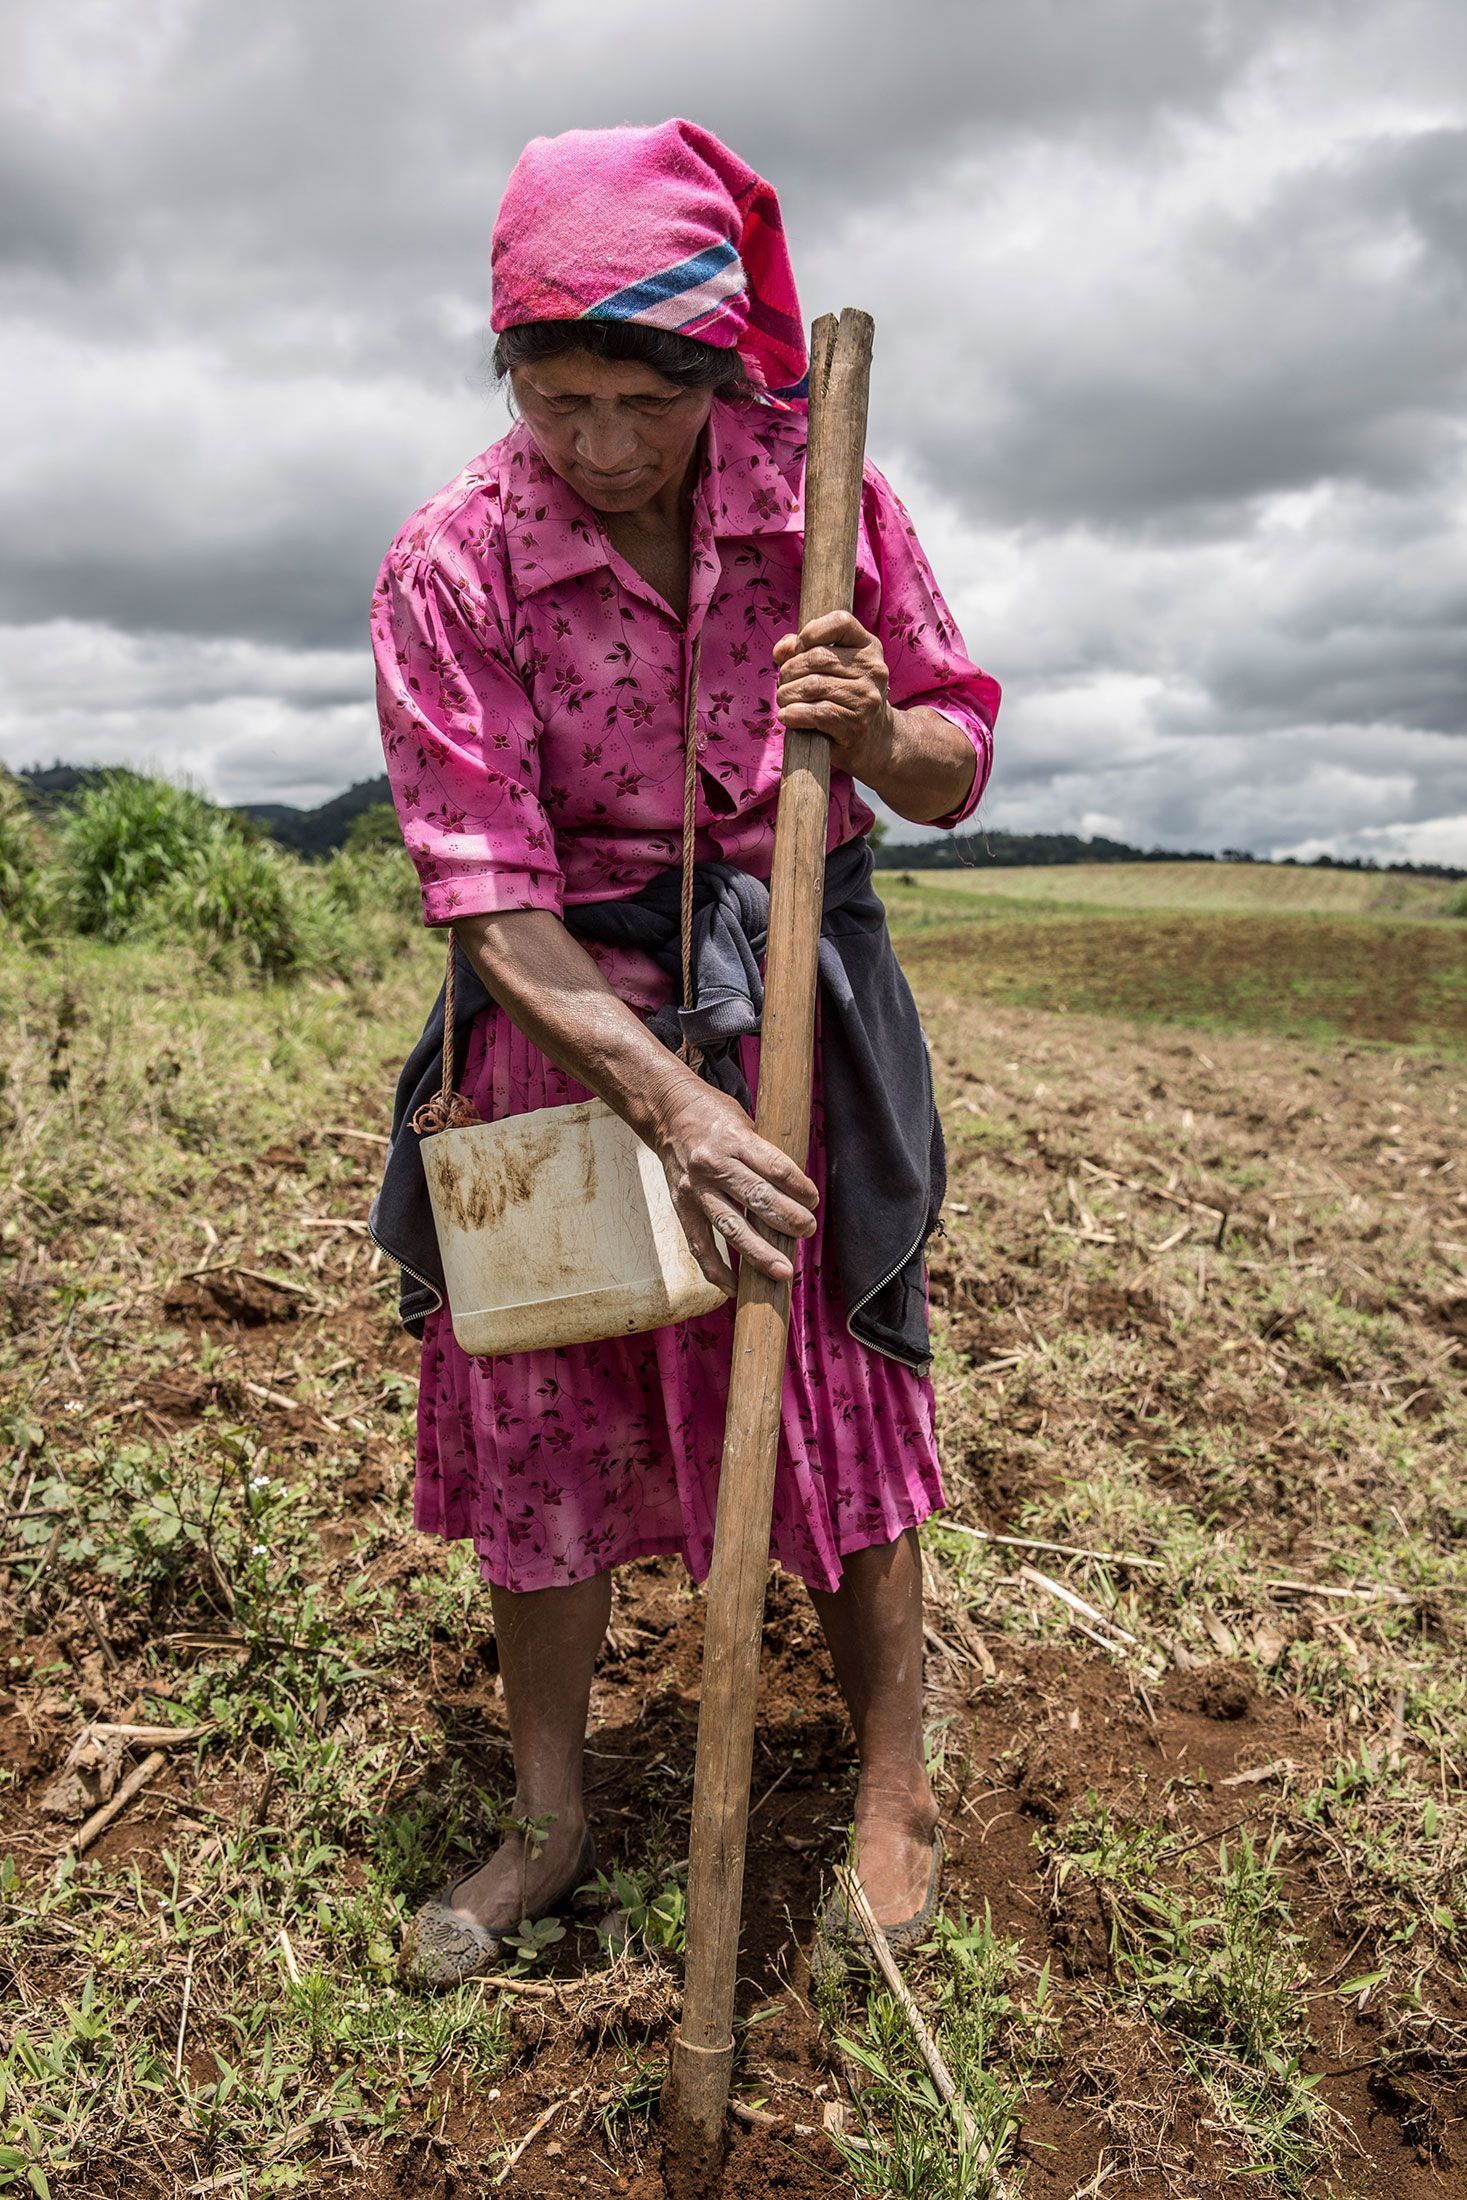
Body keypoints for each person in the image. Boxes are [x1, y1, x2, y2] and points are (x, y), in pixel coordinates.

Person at [369, 119, 1000, 1989]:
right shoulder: (455, 561)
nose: (604, 444)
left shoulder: (824, 503)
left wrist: (875, 727)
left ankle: (892, 1782)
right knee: (540, 1416)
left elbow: (959, 768)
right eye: (556, 398)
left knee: (842, 1386)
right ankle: (554, 1820)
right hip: (563, 1017)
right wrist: (670, 1104)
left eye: (639, 399)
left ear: (717, 371)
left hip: (795, 985)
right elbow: (486, 899)